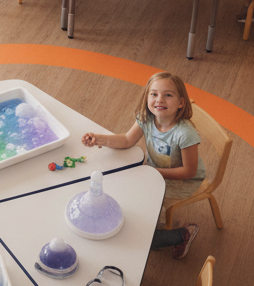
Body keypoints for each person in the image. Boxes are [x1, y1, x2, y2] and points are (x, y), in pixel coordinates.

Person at [82, 73, 205, 259]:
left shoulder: (185, 134)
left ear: (181, 102)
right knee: (128, 196)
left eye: (168, 95)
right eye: (154, 94)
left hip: (181, 181)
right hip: (153, 170)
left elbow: (189, 171)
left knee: (138, 212)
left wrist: (151, 172)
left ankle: (181, 234)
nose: (159, 100)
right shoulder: (147, 118)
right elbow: (126, 140)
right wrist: (99, 139)